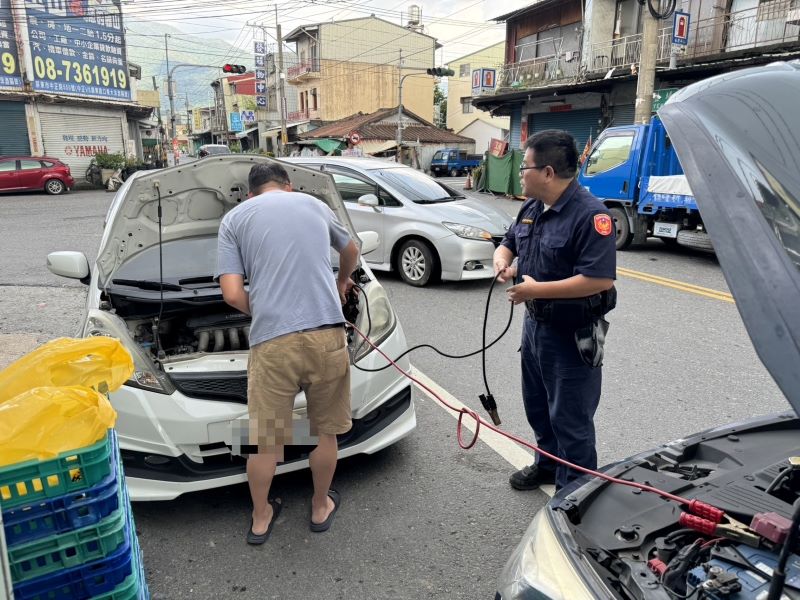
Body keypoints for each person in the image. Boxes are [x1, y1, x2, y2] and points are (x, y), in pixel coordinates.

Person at [215, 162, 360, 544]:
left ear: (251, 193)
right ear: (288, 186)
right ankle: (318, 507)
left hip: (272, 342)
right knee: (324, 432)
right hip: (326, 335)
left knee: (264, 439)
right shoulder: (313, 205)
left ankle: (261, 517)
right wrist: (342, 280)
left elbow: (231, 293)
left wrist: (266, 310)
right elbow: (352, 249)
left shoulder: (234, 219)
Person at [493, 130, 617, 491]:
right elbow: (510, 242)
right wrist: (503, 261)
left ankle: (574, 493)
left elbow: (599, 280)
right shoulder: (532, 206)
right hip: (535, 327)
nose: (520, 173)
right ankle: (546, 464)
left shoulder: (592, 215)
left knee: (572, 418)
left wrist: (535, 289)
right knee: (538, 405)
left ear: (547, 172)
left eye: (525, 167)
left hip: (572, 335)